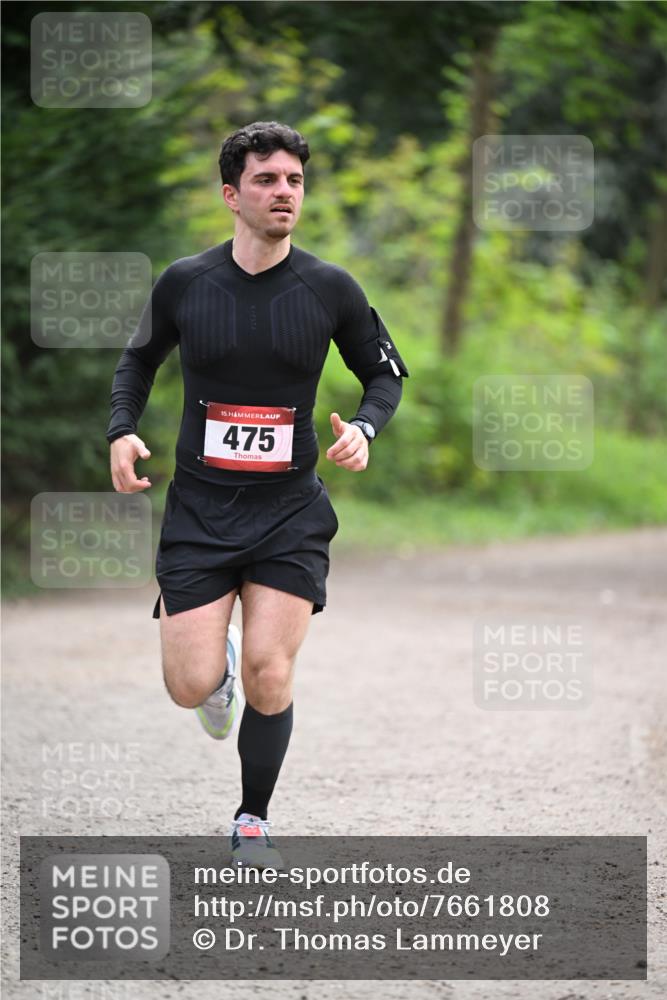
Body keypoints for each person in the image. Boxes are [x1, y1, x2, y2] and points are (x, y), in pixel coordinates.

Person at [107, 121, 408, 868]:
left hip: (288, 513)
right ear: (230, 195)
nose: (284, 193)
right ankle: (217, 673)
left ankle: (251, 820)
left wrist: (365, 430)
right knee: (189, 685)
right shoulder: (185, 282)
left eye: (294, 181)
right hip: (201, 511)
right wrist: (121, 430)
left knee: (273, 670)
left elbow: (385, 373)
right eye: (267, 180)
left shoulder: (330, 287)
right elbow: (136, 362)